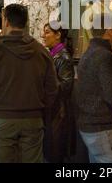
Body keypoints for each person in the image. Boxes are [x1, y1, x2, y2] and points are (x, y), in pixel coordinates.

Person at [0, 4, 58, 163]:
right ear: (26, 22)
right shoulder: (41, 51)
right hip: (33, 120)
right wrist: (41, 113)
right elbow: (52, 89)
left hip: (2, 119)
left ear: (5, 21)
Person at [75, 14, 112, 163]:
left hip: (88, 125)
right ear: (109, 30)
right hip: (102, 126)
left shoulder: (87, 53)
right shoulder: (105, 56)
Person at [42, 22, 76, 163]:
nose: (43, 36)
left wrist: (43, 87)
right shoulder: (52, 55)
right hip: (52, 111)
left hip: (58, 113)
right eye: (44, 32)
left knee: (55, 153)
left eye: (47, 32)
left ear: (58, 35)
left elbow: (66, 86)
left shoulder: (63, 57)